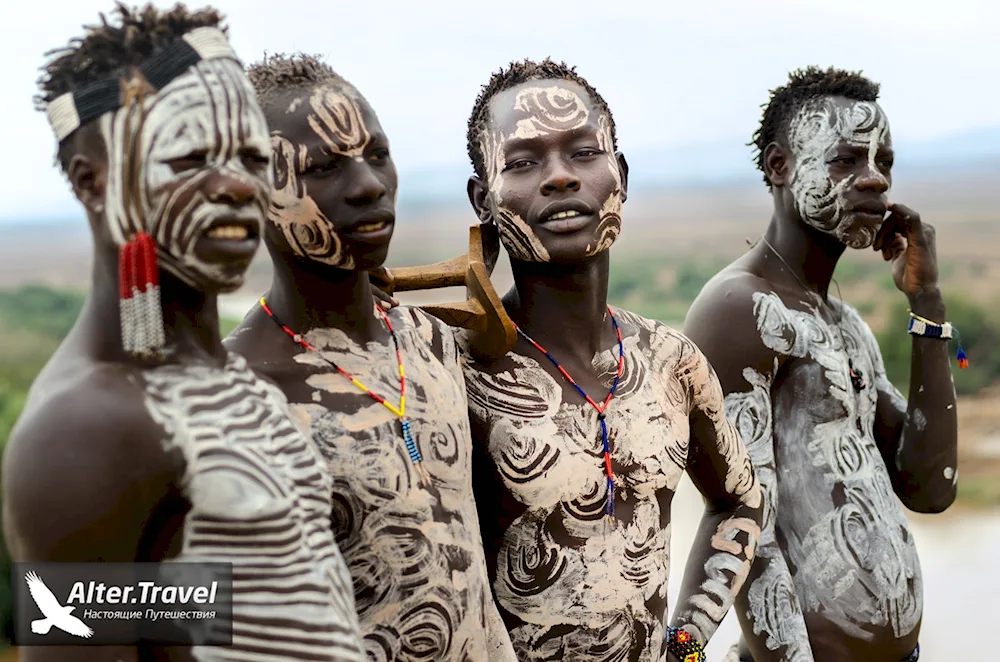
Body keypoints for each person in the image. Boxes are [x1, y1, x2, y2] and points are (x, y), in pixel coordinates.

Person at [2, 5, 364, 660]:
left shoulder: (219, 375)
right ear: (93, 181)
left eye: (251, 156)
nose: (234, 184)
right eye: (191, 156)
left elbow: (219, 613)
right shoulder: (88, 426)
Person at [460, 58, 763, 662]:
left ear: (620, 175)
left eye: (582, 153)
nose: (559, 178)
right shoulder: (455, 369)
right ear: (483, 198)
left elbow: (742, 500)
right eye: (520, 162)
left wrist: (687, 640)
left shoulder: (672, 362)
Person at [225, 53, 516, 661]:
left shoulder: (430, 343)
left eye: (377, 154)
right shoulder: (232, 398)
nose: (368, 185)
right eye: (325, 167)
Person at [684, 66, 959, 662]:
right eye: (844, 161)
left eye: (883, 161)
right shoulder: (741, 309)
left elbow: (930, 487)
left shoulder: (847, 326)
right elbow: (744, 525)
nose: (875, 181)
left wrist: (927, 304)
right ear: (780, 167)